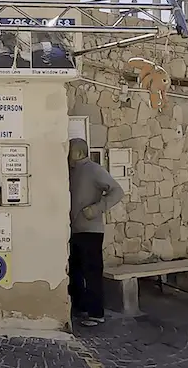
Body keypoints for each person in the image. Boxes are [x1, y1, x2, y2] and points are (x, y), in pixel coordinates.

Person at [67, 138, 124, 327]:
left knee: (91, 272)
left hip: (91, 229)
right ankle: (80, 307)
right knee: (75, 270)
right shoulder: (72, 171)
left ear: (78, 152)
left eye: (71, 150)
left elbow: (117, 191)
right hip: (74, 229)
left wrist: (96, 208)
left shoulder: (93, 169)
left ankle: (96, 312)